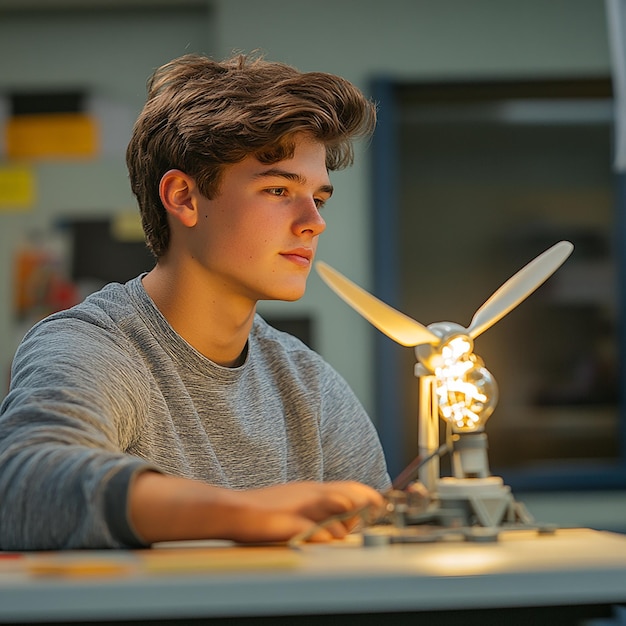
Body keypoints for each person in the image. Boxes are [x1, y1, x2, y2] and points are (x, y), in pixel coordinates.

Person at [0, 53, 390, 551]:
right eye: (277, 189)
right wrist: (240, 513)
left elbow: (379, 553)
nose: (313, 221)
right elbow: (19, 489)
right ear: (183, 197)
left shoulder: (308, 386)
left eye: (320, 198)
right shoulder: (95, 349)